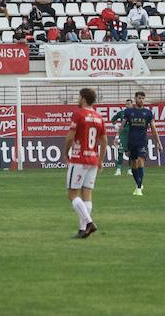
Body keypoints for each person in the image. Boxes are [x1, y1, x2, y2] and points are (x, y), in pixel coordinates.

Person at [63, 86, 107, 238]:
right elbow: (104, 141)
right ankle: (83, 231)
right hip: (93, 159)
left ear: (83, 98)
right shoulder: (99, 117)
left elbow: (69, 137)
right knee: (87, 194)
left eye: (79, 96)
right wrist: (100, 160)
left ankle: (88, 222)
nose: (78, 99)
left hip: (79, 158)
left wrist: (66, 152)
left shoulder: (79, 114)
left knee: (72, 193)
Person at [110, 91, 160, 196]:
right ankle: (138, 183)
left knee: (140, 162)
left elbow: (153, 129)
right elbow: (122, 125)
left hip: (142, 141)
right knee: (133, 165)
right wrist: (117, 136)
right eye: (139, 98)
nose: (141, 100)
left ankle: (138, 189)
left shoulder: (148, 113)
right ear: (135, 99)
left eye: (143, 98)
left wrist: (158, 142)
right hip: (131, 141)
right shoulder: (129, 112)